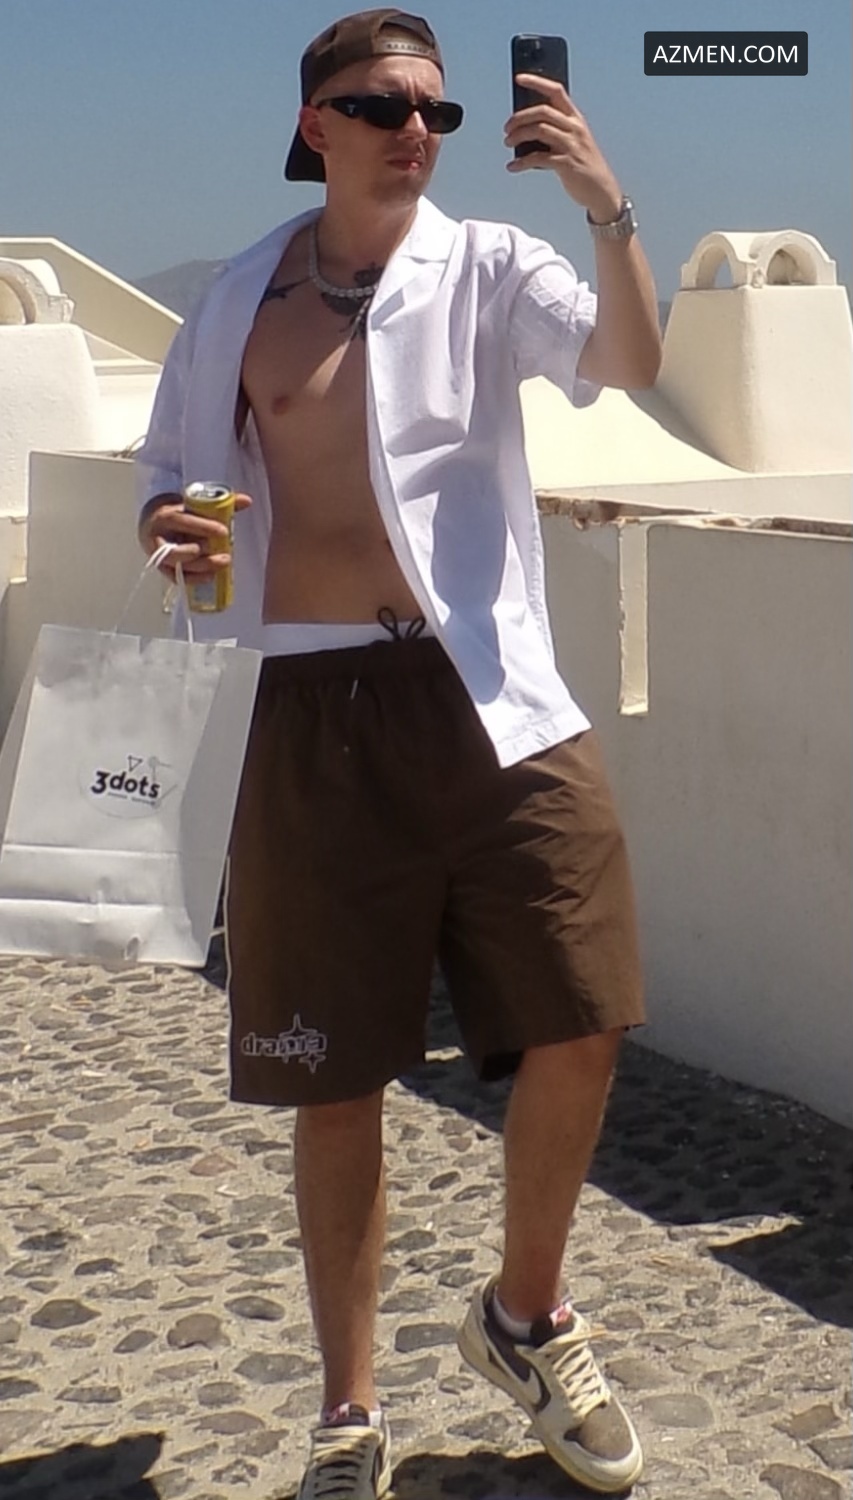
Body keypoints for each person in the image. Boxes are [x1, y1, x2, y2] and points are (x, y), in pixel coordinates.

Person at [136, 10, 661, 1497]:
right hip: (306, 711)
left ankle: (525, 1315)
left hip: (489, 694)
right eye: (379, 105)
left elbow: (626, 361)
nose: (413, 129)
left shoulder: (489, 264)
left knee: (586, 1006)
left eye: (432, 107)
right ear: (318, 124)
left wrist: (604, 202)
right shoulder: (236, 301)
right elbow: (167, 472)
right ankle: (349, 1413)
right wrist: (167, 523)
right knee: (338, 1070)